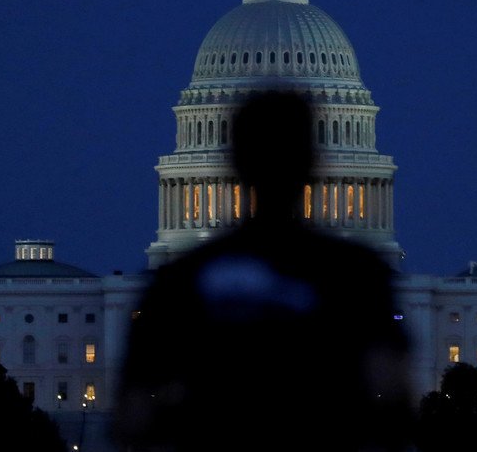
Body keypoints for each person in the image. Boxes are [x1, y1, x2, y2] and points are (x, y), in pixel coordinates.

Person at [112, 90, 413, 452]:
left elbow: (132, 417)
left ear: (235, 161)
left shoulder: (180, 280)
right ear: (312, 160)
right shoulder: (358, 275)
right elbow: (395, 404)